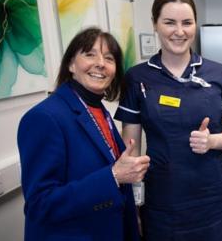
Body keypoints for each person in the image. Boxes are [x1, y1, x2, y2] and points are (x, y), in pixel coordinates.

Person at [114, 0, 222, 240]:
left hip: (215, 195)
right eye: (169, 22)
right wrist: (136, 201)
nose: (180, 31)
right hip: (164, 198)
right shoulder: (137, 78)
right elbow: (131, 149)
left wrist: (213, 141)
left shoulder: (217, 73)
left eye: (187, 22)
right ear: (155, 24)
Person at [17, 27, 150, 241]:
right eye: (90, 54)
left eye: (109, 58)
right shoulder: (44, 117)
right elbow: (40, 204)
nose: (100, 63)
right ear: (71, 64)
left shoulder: (98, 109)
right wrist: (114, 176)